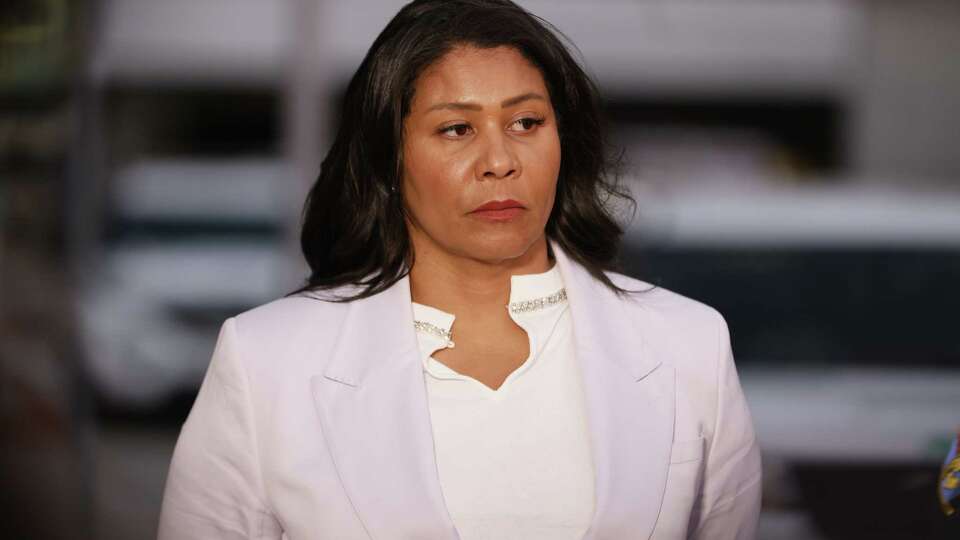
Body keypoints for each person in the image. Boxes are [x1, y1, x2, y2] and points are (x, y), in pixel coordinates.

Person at [157, 0, 762, 538]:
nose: (499, 160)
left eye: (526, 122)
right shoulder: (267, 359)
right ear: (388, 159)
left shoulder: (689, 344)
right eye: (457, 129)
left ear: (563, 141)